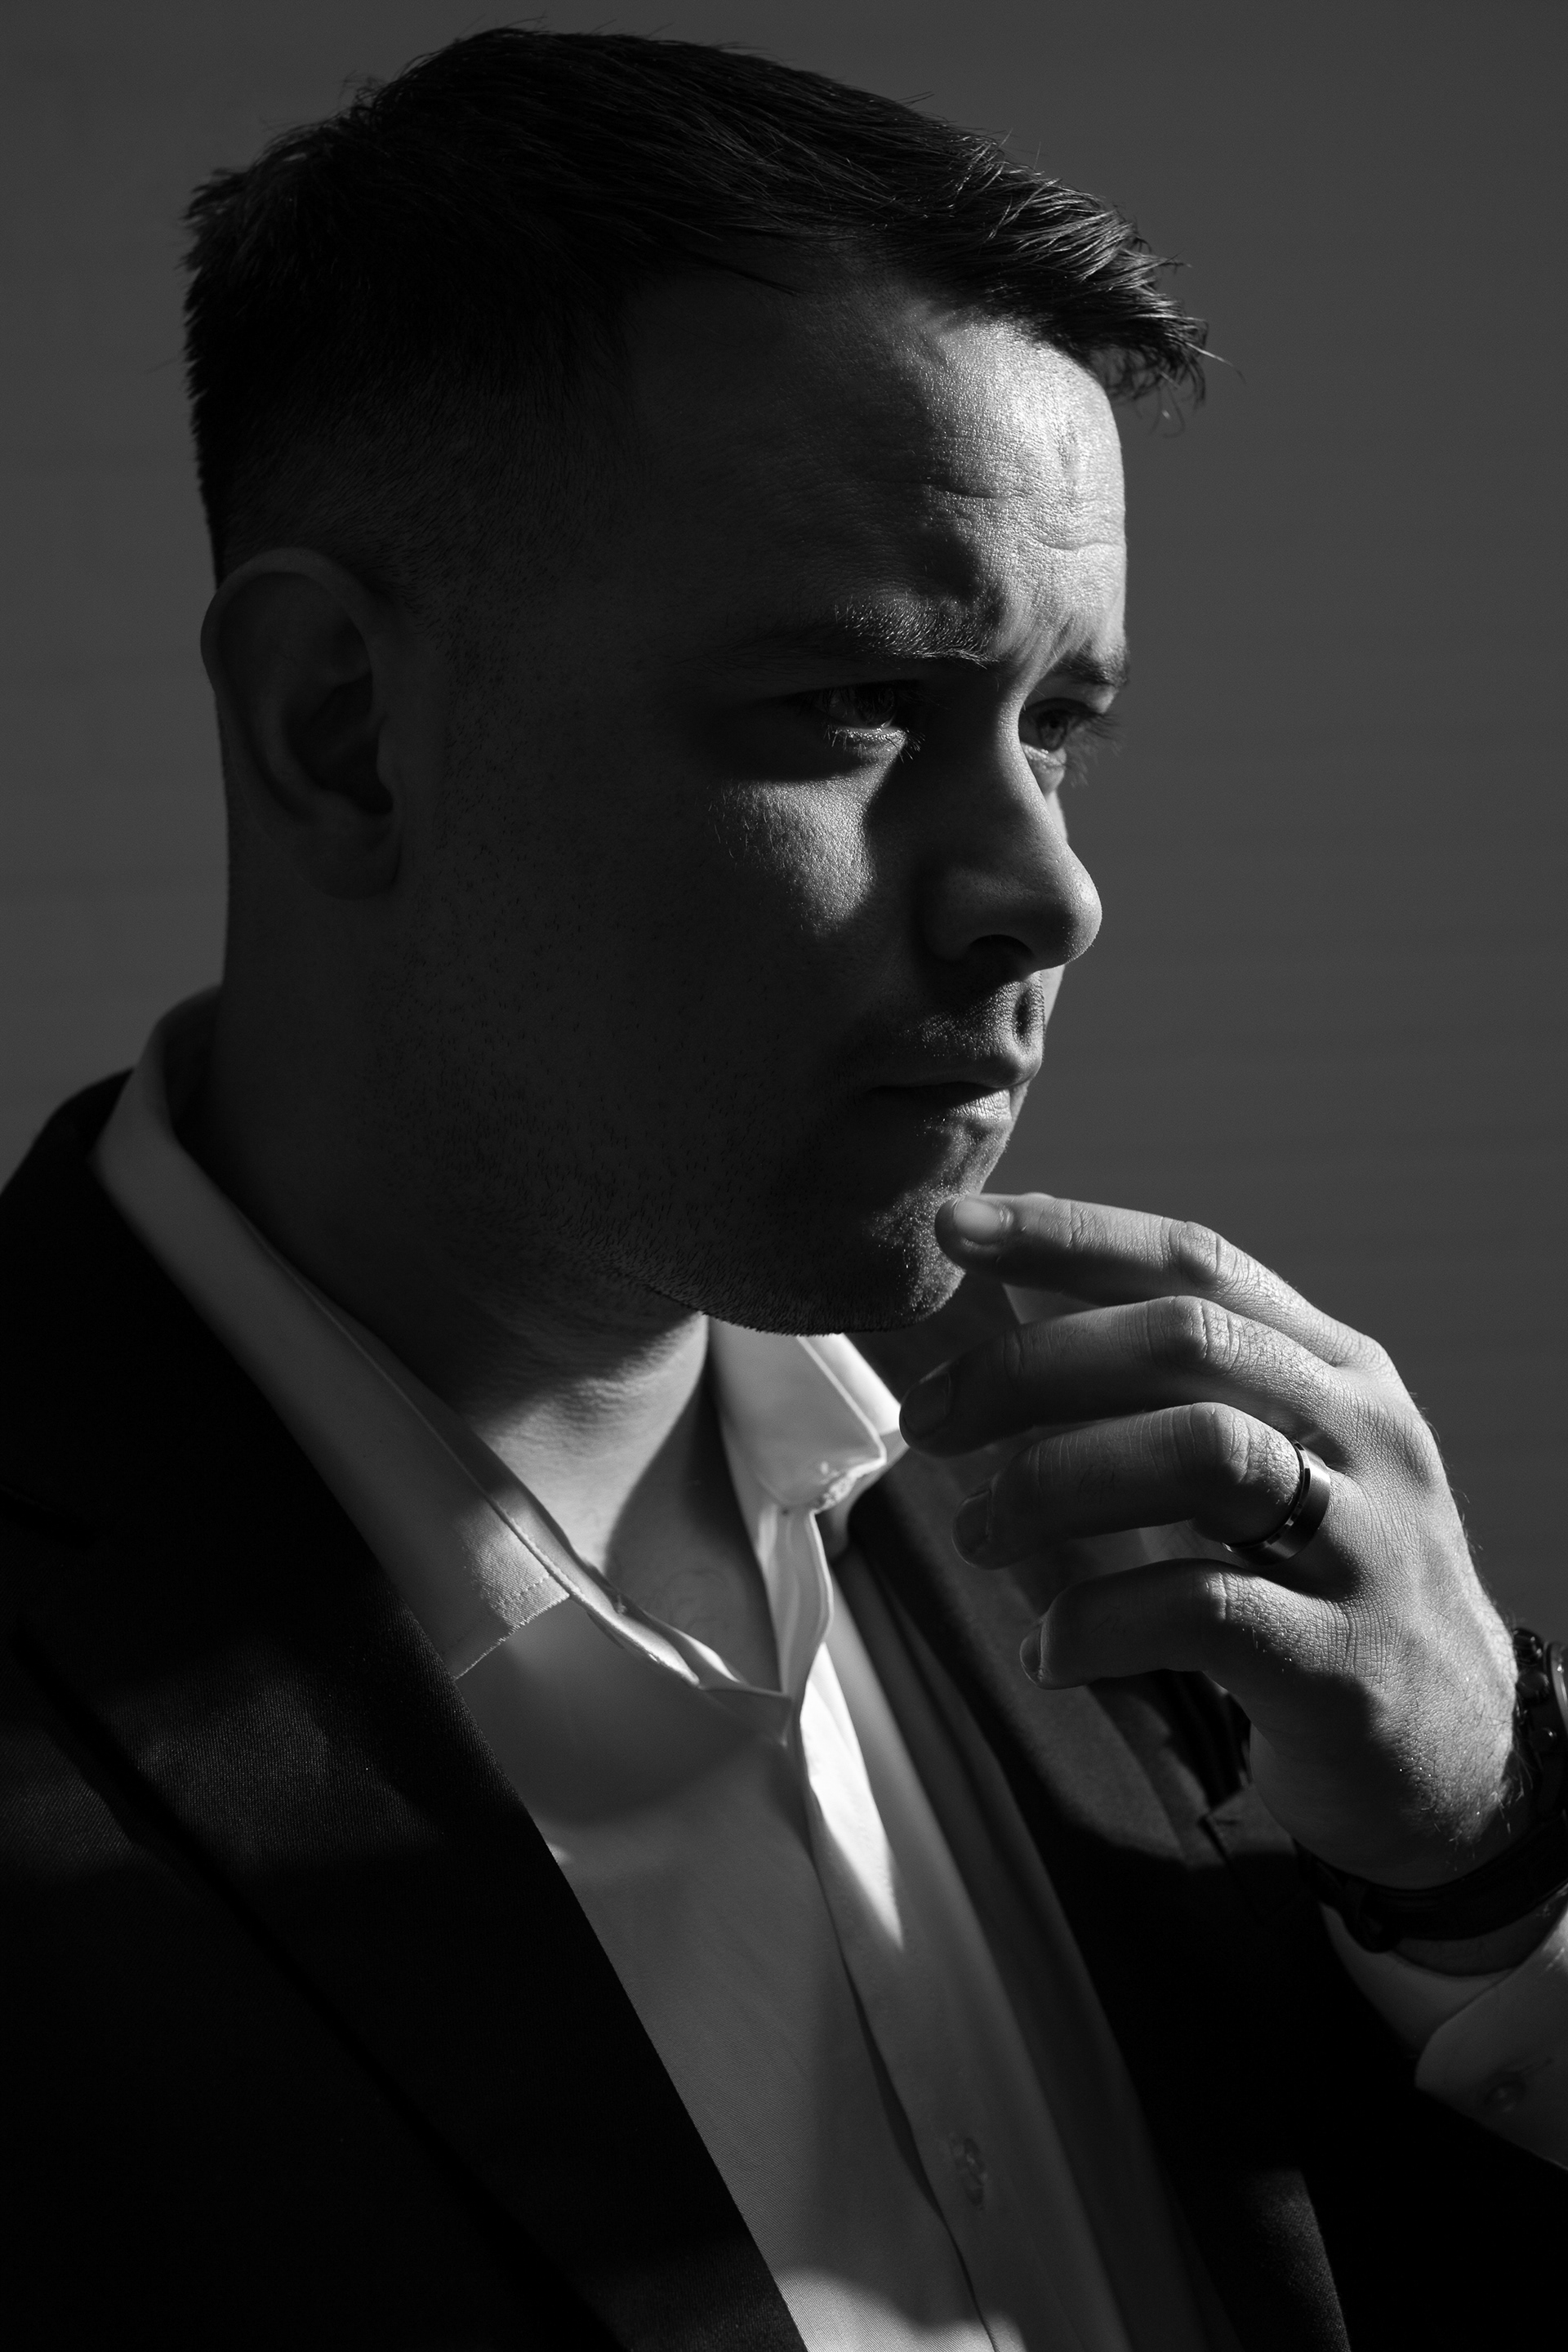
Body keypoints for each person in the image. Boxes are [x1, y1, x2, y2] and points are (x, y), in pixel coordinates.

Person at [2, 25, 1564, 2351]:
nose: (1048, 894)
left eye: (1061, 725)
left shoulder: (1177, 1553)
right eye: (851, 705)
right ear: (341, 728)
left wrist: (1480, 1870)